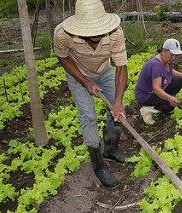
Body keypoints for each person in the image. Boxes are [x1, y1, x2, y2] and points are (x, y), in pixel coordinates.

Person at [53, 0, 128, 188]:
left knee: (117, 111)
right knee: (88, 116)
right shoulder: (62, 34)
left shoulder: (116, 34)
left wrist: (117, 101)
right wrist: (85, 81)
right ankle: (98, 164)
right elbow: (62, 57)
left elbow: (121, 68)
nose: (95, 34)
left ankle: (110, 150)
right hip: (78, 74)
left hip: (105, 71)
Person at [135, 38, 182, 125]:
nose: (173, 58)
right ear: (163, 51)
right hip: (146, 95)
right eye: (171, 55)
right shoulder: (156, 65)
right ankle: (148, 109)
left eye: (175, 55)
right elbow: (156, 89)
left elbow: (169, 71)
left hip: (156, 89)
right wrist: (169, 98)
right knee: (170, 106)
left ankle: (162, 102)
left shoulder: (166, 60)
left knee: (178, 81)